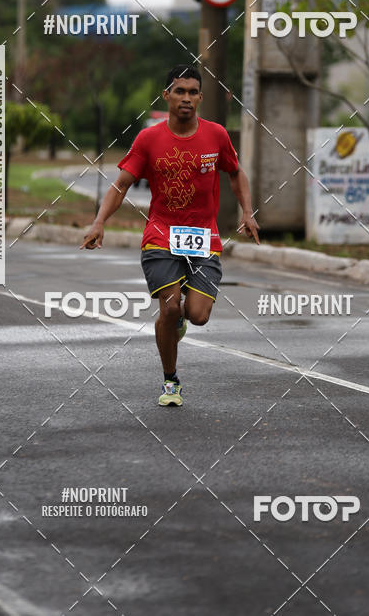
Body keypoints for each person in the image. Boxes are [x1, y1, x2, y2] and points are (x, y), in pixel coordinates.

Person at [80, 64, 259, 407]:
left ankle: (176, 322)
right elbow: (120, 185)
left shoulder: (217, 135)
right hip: (160, 235)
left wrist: (247, 212)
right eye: (180, 91)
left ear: (201, 98)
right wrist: (99, 221)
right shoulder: (149, 139)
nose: (187, 98)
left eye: (193, 92)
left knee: (198, 315)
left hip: (204, 238)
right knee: (171, 305)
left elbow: (236, 174)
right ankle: (171, 382)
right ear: (166, 96)